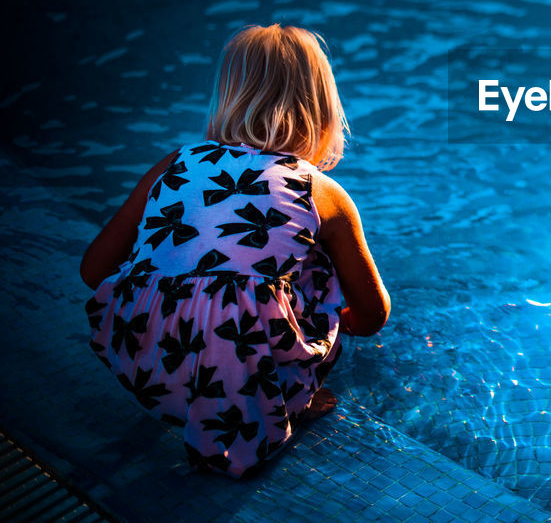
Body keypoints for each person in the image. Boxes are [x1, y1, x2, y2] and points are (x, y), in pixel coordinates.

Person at [80, 24, 390, 477]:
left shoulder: (175, 164)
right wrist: (334, 320)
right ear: (323, 106)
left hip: (143, 360)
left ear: (228, 94)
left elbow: (94, 271)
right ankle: (291, 399)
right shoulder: (320, 192)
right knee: (315, 269)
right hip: (239, 381)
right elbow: (372, 315)